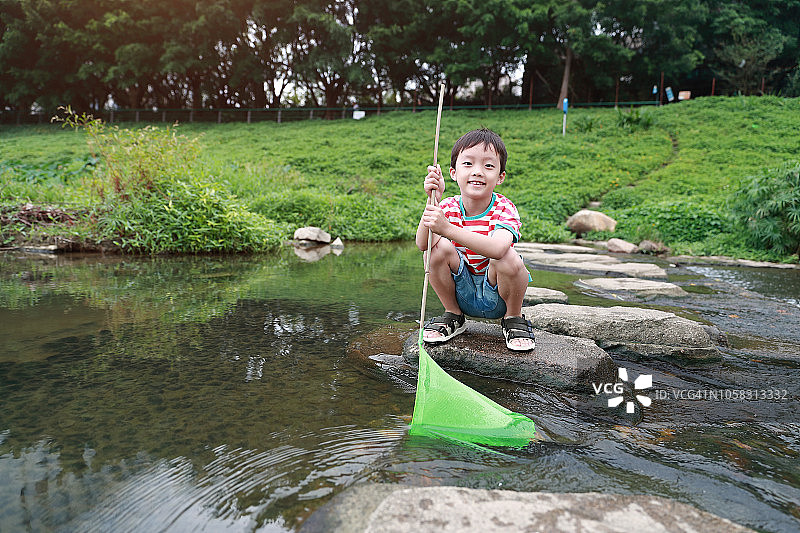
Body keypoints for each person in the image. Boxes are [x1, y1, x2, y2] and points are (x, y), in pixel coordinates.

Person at [415, 128, 535, 351]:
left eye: (488, 166)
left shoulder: (504, 208)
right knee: (436, 248)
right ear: (453, 173)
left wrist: (447, 229)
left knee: (508, 256)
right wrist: (432, 201)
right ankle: (453, 315)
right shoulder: (448, 207)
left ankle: (513, 318)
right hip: (462, 292)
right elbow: (423, 244)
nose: (478, 172)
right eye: (468, 164)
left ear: (500, 177)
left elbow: (498, 249)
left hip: (498, 294)